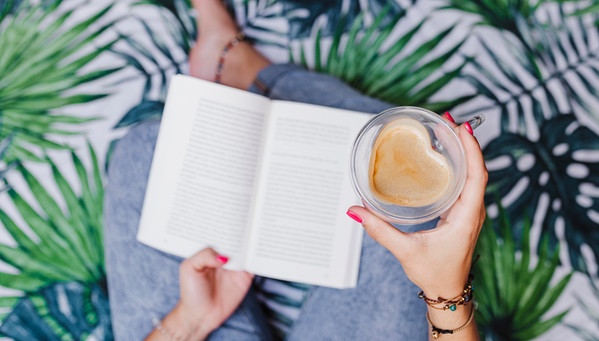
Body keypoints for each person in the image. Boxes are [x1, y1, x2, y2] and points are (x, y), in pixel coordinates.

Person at [103, 0, 488, 339]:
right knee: (413, 205)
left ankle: (239, 68)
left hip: (199, 314)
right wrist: (445, 292)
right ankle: (248, 70)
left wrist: (189, 322)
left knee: (151, 150)